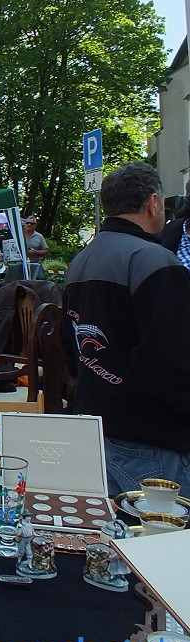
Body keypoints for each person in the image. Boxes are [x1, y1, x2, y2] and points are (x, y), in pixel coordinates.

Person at [61, 162, 190, 494]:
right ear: (153, 203)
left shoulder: (81, 261)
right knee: (159, 541)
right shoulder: (155, 262)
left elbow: (71, 349)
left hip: (98, 430)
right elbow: (172, 363)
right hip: (152, 439)